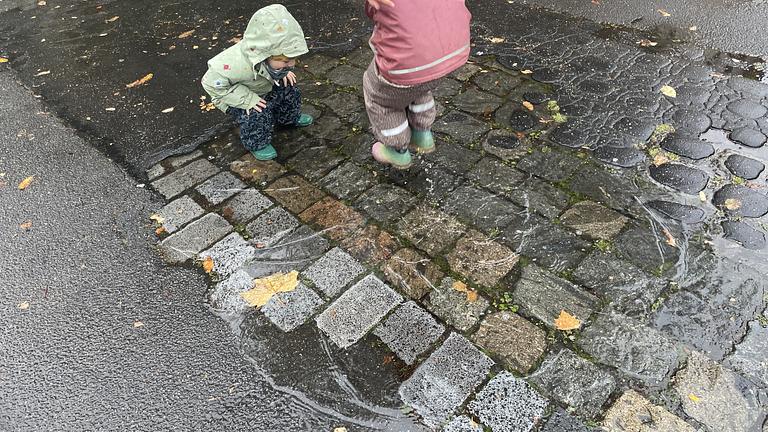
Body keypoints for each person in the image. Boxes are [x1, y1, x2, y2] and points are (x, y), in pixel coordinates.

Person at [363, 0, 472, 169]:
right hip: (453, 53)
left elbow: (372, 11)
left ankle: (397, 149)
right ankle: (422, 132)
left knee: (380, 97)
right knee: (420, 84)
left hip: (405, 67)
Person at [201, 4, 313, 161]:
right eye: (286, 61)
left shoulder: (273, 58)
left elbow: (270, 69)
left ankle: (288, 117)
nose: (291, 64)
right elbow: (210, 83)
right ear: (265, 55)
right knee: (256, 113)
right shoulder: (231, 64)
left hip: (261, 86)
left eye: (293, 59)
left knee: (289, 88)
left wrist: (282, 73)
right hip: (235, 97)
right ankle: (257, 142)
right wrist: (247, 100)